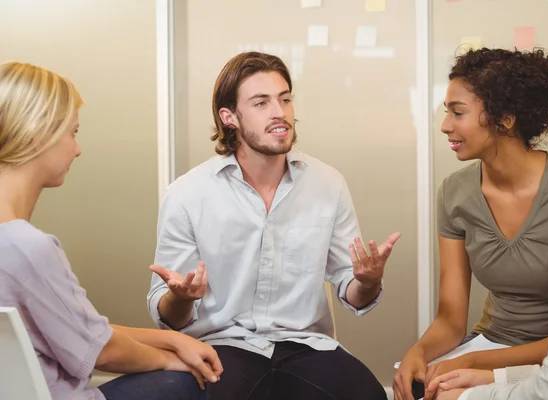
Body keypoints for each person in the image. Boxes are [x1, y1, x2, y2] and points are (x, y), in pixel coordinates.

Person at [147, 51, 400, 400]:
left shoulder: (328, 183)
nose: (280, 112)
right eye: (261, 102)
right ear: (229, 117)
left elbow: (352, 292)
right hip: (222, 346)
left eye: (284, 99)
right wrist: (180, 299)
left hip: (306, 345)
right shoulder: (187, 194)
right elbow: (170, 317)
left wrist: (368, 281)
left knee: (369, 395)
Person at [0, 61, 223, 400]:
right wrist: (168, 360)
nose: (77, 148)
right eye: (72, 133)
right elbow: (101, 351)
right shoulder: (27, 249)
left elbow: (81, 329)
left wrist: (174, 339)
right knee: (188, 382)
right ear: (37, 132)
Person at [393, 47, 548, 400]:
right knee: (419, 387)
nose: (445, 126)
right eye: (447, 113)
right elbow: (452, 319)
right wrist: (420, 352)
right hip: (489, 342)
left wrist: (480, 362)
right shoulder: (454, 193)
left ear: (505, 119)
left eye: (458, 113)